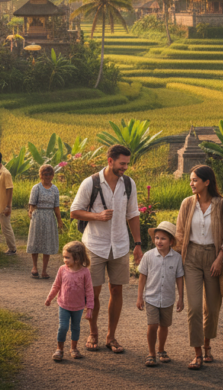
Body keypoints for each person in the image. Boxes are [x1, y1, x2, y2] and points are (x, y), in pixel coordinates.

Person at [69, 144, 143, 354]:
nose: (125, 168)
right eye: (122, 163)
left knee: (117, 290)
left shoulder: (128, 184)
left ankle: (111, 336)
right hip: (94, 245)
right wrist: (97, 216)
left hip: (120, 245)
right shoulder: (90, 183)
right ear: (110, 161)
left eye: (127, 163)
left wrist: (137, 244)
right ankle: (93, 332)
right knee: (93, 292)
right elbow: (75, 211)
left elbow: (133, 214)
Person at [174, 164, 223, 370]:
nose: (191, 184)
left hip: (213, 257)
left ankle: (208, 345)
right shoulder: (186, 204)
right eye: (190, 180)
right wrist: (174, 259)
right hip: (191, 257)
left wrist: (220, 257)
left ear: (206, 182)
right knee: (193, 308)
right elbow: (181, 234)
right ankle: (197, 352)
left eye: (195, 180)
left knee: (212, 307)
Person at [136, 221, 184, 367]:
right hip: (151, 297)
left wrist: (181, 298)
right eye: (157, 238)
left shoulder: (177, 258)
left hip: (168, 299)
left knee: (164, 326)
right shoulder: (148, 256)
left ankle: (161, 350)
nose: (159, 241)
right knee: (152, 325)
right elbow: (142, 277)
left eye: (163, 238)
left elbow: (179, 278)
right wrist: (140, 297)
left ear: (171, 241)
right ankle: (151, 353)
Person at [45, 241, 94, 362]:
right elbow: (56, 285)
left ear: (77, 259)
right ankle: (59, 349)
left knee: (76, 328)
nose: (64, 260)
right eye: (64, 257)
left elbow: (89, 291)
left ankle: (74, 348)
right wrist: (50, 298)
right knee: (63, 327)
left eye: (67, 257)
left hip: (78, 307)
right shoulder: (62, 269)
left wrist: (89, 308)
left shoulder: (85, 272)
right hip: (64, 305)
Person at [28, 164, 62, 279]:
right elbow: (32, 204)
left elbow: (56, 206)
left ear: (52, 175)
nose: (47, 176)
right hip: (38, 216)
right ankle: (34, 267)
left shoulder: (55, 189)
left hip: (49, 217)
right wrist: (30, 212)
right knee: (36, 241)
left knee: (47, 242)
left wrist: (59, 220)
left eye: (49, 174)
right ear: (40, 175)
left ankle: (44, 270)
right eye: (44, 174)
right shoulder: (36, 188)